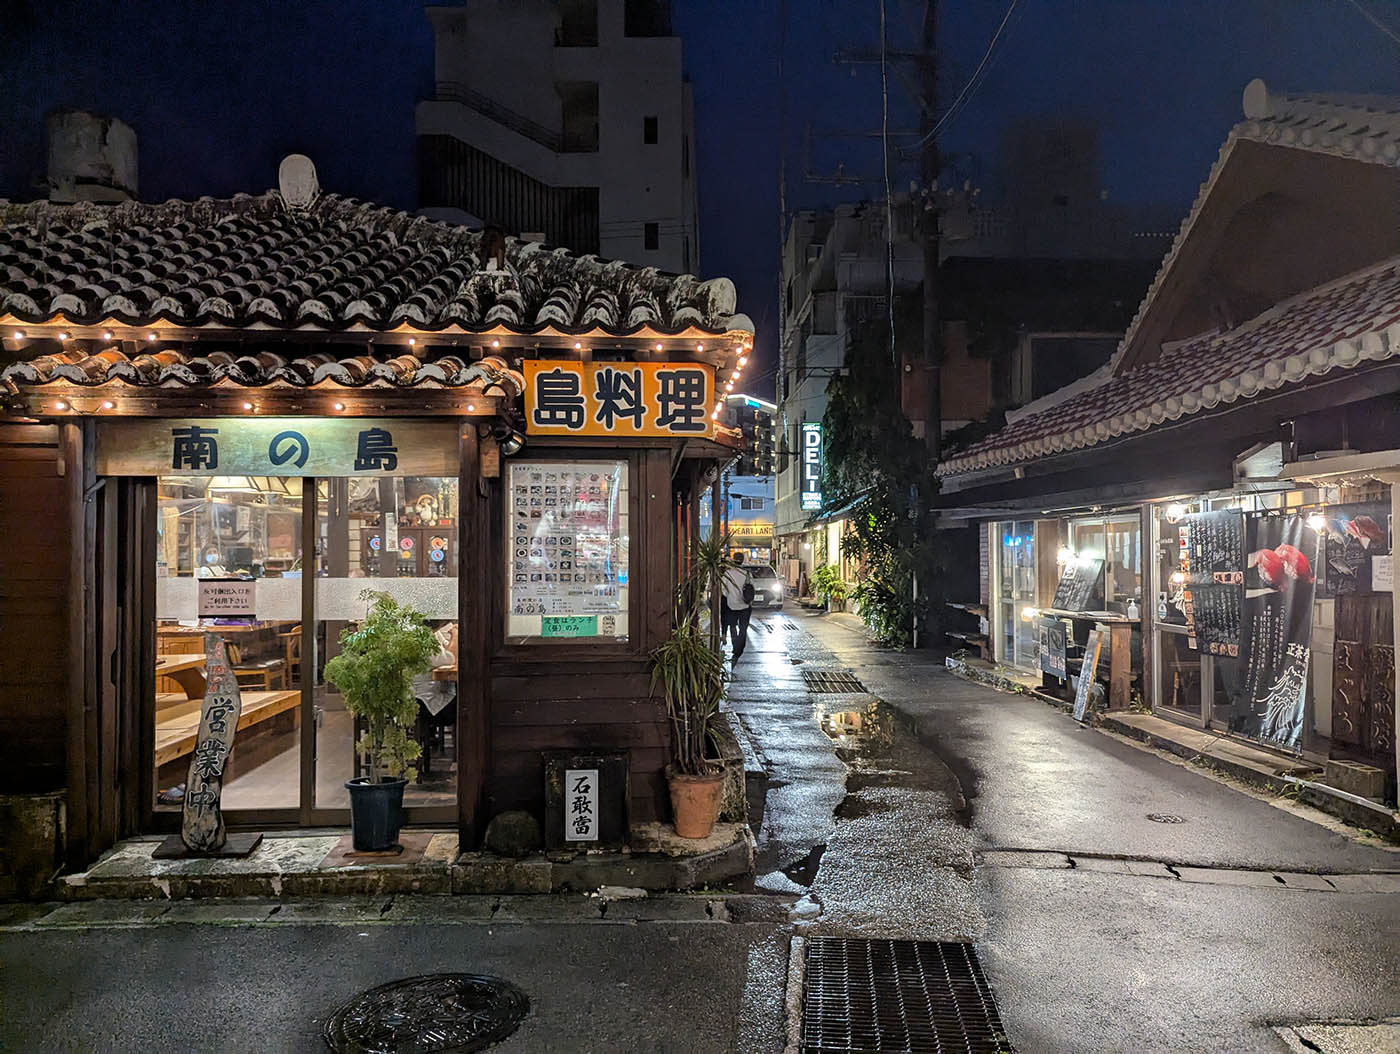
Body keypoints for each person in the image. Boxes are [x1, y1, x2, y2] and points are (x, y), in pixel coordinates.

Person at [720, 552, 753, 662]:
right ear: (743, 560)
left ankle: (735, 647)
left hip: (731, 605)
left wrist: (730, 596)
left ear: (734, 560)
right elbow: (752, 588)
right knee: (743, 628)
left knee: (732, 626)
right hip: (745, 605)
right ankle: (739, 650)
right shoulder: (747, 574)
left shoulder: (727, 574)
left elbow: (723, 590)